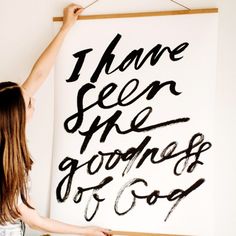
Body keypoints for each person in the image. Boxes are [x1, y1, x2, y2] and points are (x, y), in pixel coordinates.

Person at [0, 3, 111, 236]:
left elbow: (38, 75)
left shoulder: (6, 135)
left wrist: (65, 28)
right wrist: (86, 231)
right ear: (16, 121)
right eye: (28, 102)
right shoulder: (8, 169)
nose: (33, 101)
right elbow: (35, 221)